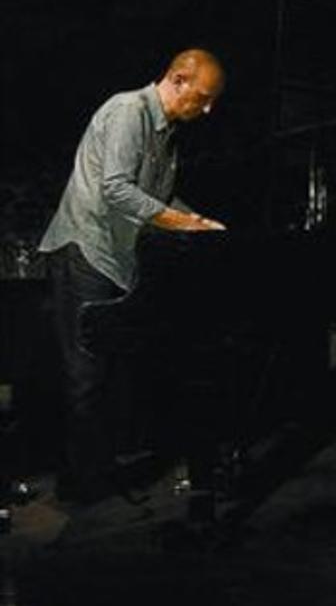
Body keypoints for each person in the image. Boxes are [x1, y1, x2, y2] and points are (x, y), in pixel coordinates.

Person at [37, 49, 227, 505]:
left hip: (115, 260)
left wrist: (196, 218)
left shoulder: (166, 133)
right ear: (178, 80)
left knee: (108, 374)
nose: (207, 109)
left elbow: (158, 196)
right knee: (86, 375)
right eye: (202, 98)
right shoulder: (128, 111)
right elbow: (117, 188)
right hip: (84, 251)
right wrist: (179, 223)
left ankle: (98, 472)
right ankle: (82, 489)